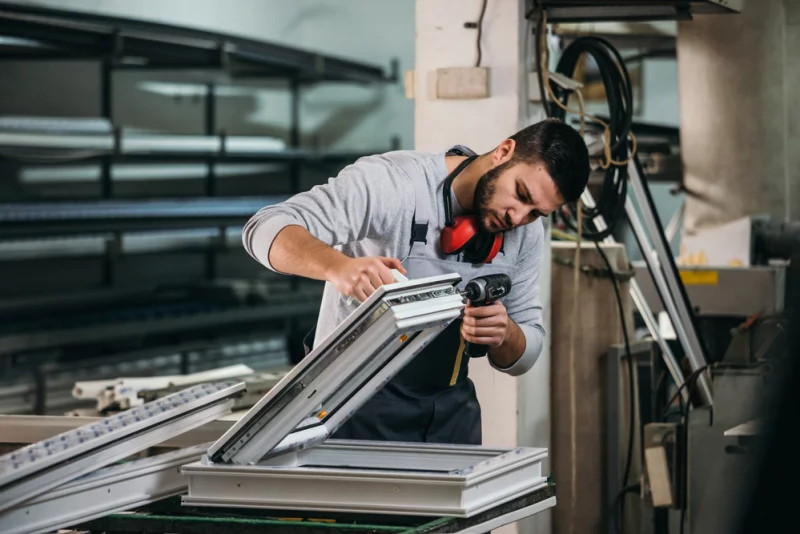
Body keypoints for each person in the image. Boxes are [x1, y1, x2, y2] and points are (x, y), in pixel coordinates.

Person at [242, 117, 590, 446]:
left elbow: (528, 351)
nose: (517, 217)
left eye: (535, 213)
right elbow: (264, 228)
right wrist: (338, 266)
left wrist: (506, 333)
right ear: (503, 152)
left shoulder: (525, 234)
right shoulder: (393, 183)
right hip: (349, 405)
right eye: (521, 195)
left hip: (449, 412)